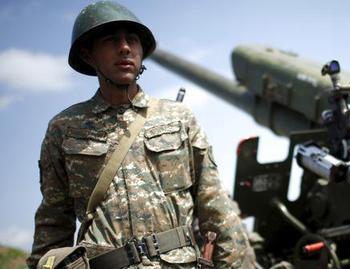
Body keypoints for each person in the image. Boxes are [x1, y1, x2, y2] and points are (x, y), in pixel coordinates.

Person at [26, 1, 253, 268]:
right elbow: (53, 223)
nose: (124, 47)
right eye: (111, 40)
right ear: (88, 55)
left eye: (132, 40)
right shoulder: (64, 128)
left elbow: (215, 207)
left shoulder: (179, 117)